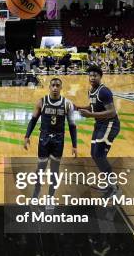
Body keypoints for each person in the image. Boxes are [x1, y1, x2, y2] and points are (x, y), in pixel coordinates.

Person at [24, 78, 77, 198]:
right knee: (40, 167)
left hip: (58, 140)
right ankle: (36, 193)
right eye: (53, 85)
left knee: (55, 169)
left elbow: (72, 125)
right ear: (49, 87)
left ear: (61, 88)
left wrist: (74, 145)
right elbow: (33, 121)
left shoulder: (67, 104)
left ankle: (50, 197)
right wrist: (27, 136)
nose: (55, 88)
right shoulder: (41, 102)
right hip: (44, 139)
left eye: (58, 85)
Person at [74, 65, 121, 196]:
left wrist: (90, 115)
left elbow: (112, 112)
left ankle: (114, 187)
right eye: (90, 75)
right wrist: (78, 108)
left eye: (95, 75)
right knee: (95, 154)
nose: (92, 77)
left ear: (100, 76)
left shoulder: (104, 91)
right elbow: (92, 106)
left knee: (99, 154)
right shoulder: (91, 91)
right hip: (100, 124)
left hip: (110, 124)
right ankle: (110, 183)